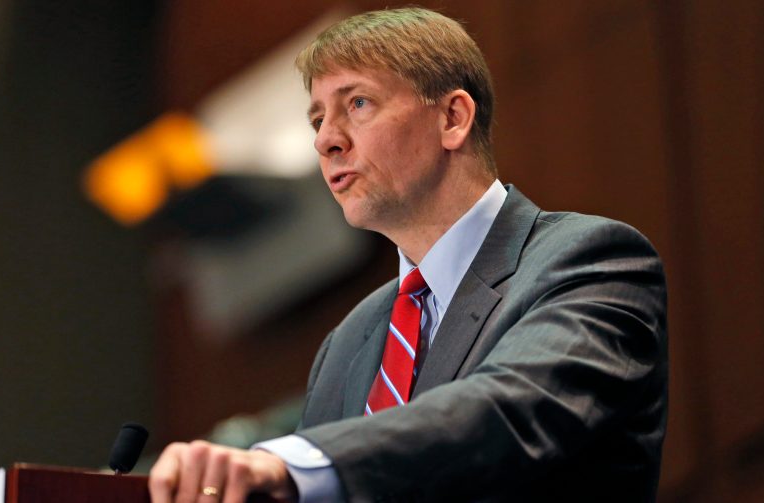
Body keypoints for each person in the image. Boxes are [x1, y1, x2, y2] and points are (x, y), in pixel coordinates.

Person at [149, 7, 667, 503]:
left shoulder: (588, 261)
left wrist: (292, 463)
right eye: (316, 120)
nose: (327, 140)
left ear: (453, 118)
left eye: (357, 104)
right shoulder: (349, 342)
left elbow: (508, 409)